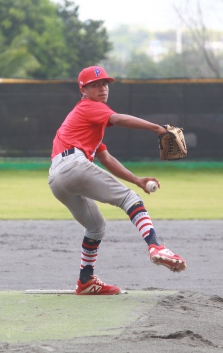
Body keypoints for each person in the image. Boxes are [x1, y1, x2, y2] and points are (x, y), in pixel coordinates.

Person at [48, 65, 187, 295]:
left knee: (95, 227)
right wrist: (158, 129)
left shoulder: (88, 122)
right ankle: (156, 246)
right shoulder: (89, 107)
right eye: (95, 85)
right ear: (83, 90)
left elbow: (106, 158)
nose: (102, 88)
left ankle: (85, 281)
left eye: (105, 84)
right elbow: (119, 119)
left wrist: (137, 180)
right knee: (130, 200)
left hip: (56, 178)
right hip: (73, 166)